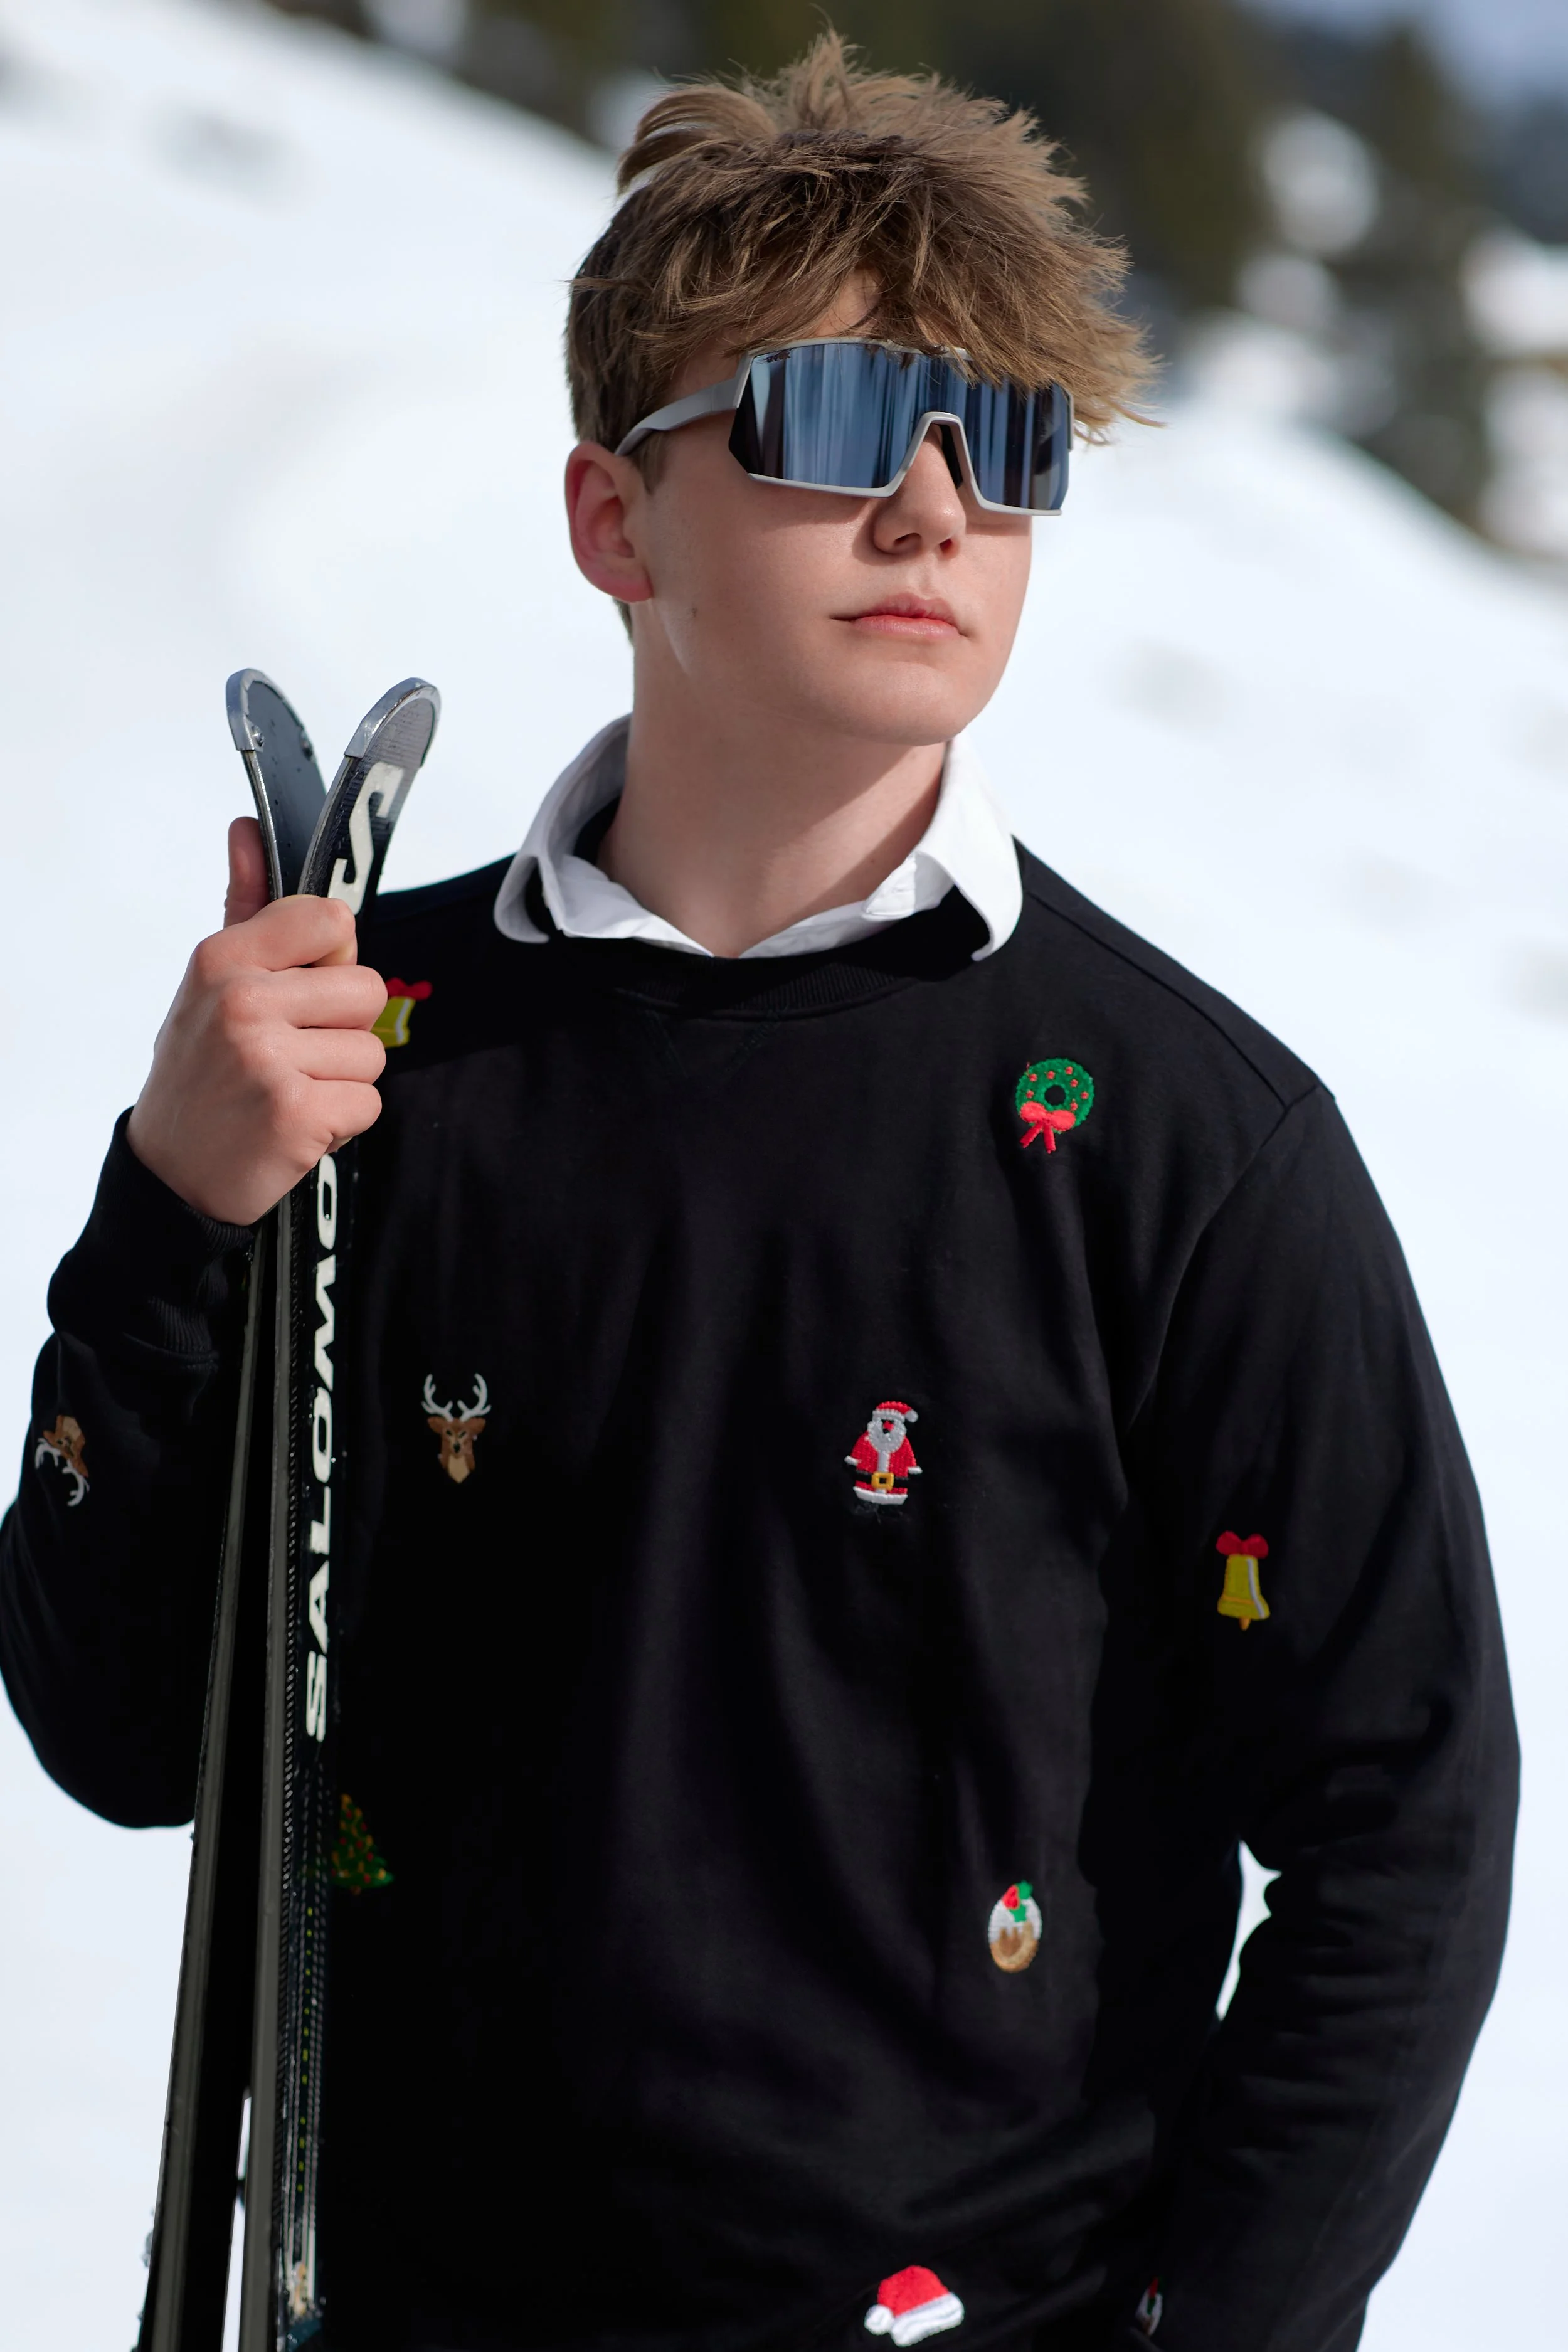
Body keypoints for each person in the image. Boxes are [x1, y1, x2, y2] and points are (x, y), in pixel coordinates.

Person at [0, 34, 1517, 2352]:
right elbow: (117, 1733)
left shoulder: (1182, 1138)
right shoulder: (372, 1054)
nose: (928, 507)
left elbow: (1400, 1823)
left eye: (998, 447)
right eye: (826, 422)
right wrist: (177, 1215)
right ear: (617, 522)